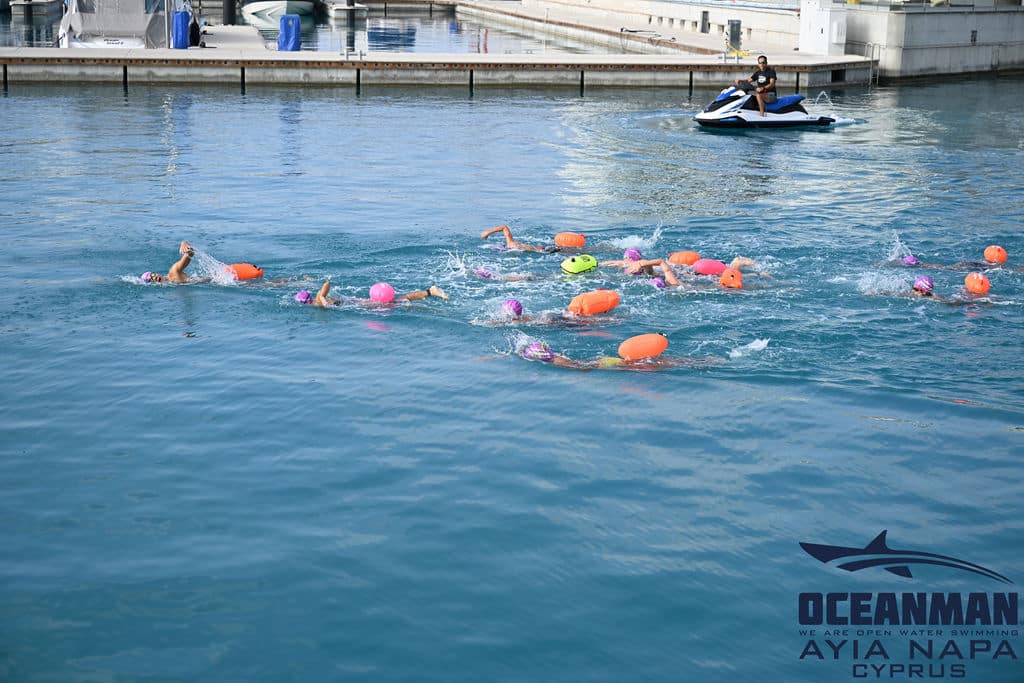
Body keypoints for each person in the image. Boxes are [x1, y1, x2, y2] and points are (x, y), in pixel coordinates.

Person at [517, 341, 723, 371]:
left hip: (609, 363)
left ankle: (705, 361)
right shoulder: (558, 359)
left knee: (582, 366)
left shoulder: (558, 361)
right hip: (609, 362)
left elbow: (580, 368)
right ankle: (705, 361)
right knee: (663, 362)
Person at [295, 281, 448, 308]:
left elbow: (327, 284)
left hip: (355, 303)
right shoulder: (317, 301)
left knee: (393, 303)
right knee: (395, 302)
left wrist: (323, 298)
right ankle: (429, 292)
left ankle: (430, 292)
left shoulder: (318, 300)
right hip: (353, 302)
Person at [599, 248, 684, 286]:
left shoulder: (670, 280)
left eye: (627, 258)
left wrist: (598, 264)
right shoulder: (672, 282)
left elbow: (660, 262)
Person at [480, 224, 560, 253]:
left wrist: (487, 233)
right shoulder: (512, 243)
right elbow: (504, 227)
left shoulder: (511, 245)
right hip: (543, 250)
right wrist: (488, 232)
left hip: (543, 250)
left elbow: (504, 227)